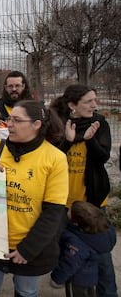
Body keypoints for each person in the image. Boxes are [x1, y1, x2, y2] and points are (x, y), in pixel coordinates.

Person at [0, 100, 69, 297]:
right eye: (9, 119)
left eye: (17, 120)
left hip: (30, 249)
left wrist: (28, 249)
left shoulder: (55, 158)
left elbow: (54, 212)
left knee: (26, 292)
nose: (9, 124)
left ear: (36, 125)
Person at [50, 84, 118, 297]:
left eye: (94, 100)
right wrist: (69, 142)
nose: (94, 105)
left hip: (92, 202)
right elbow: (52, 159)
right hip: (64, 204)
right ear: (72, 105)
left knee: (102, 257)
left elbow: (102, 157)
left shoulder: (99, 123)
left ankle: (108, 293)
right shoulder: (58, 125)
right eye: (89, 101)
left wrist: (89, 140)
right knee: (70, 254)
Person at [50, 201, 116, 297]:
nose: (68, 210)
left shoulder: (77, 243)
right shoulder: (103, 232)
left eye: (70, 211)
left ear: (76, 223)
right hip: (90, 276)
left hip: (77, 280)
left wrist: (56, 277)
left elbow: (69, 264)